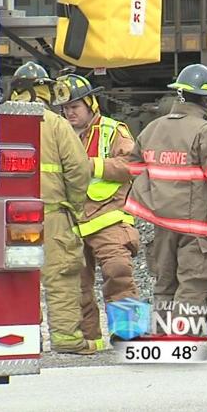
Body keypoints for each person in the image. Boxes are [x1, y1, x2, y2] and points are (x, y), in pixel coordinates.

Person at [125, 64, 207, 334]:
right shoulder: (205, 131)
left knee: (165, 283)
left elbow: (135, 169)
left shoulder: (153, 128)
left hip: (162, 222)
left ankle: (163, 336)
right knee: (194, 283)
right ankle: (183, 340)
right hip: (197, 226)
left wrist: (159, 198)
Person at [10, 62, 94, 354]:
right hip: (53, 214)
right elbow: (79, 169)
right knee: (62, 277)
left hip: (8, 218)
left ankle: (26, 339)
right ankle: (67, 340)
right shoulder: (55, 124)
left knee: (17, 279)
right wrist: (73, 205)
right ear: (46, 89)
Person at [55, 74, 139, 350]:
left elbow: (132, 166)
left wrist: (90, 165)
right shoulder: (59, 133)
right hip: (72, 219)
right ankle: (89, 340)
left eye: (75, 107)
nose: (69, 113)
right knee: (76, 284)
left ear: (91, 104)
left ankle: (129, 335)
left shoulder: (112, 130)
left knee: (118, 272)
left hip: (107, 216)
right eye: (65, 108)